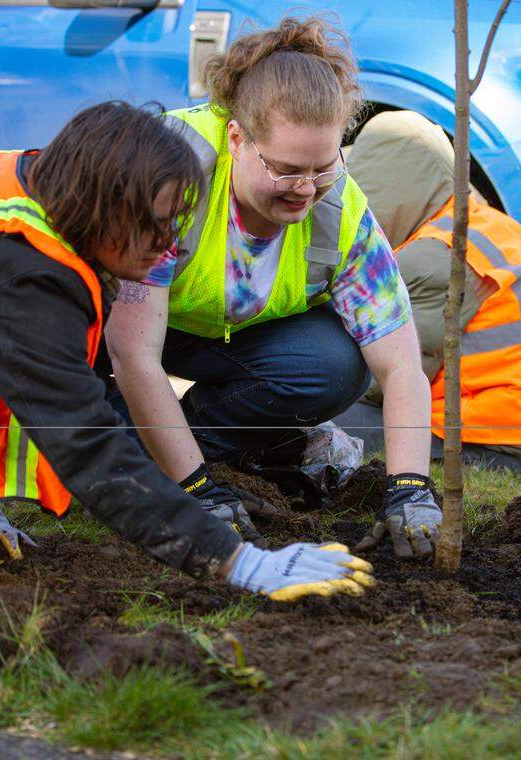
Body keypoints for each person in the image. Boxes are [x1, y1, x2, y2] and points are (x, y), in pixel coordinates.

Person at [0, 101, 373, 647]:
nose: (171, 249)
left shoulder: (46, 195)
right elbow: (85, 444)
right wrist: (237, 562)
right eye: (157, 227)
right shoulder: (15, 269)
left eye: (178, 225)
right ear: (99, 206)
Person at [103, 17, 442, 559]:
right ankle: (144, 455)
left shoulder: (340, 210)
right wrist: (195, 493)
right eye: (285, 170)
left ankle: (176, 448)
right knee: (83, 451)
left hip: (218, 335)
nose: (305, 190)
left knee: (335, 362)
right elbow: (132, 354)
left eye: (323, 166)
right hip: (106, 330)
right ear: (237, 139)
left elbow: (400, 366)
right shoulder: (169, 177)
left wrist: (409, 488)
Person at [332, 111, 521, 475]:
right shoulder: (482, 223)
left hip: (480, 438)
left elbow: (391, 379)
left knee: (315, 410)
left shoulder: (432, 258)